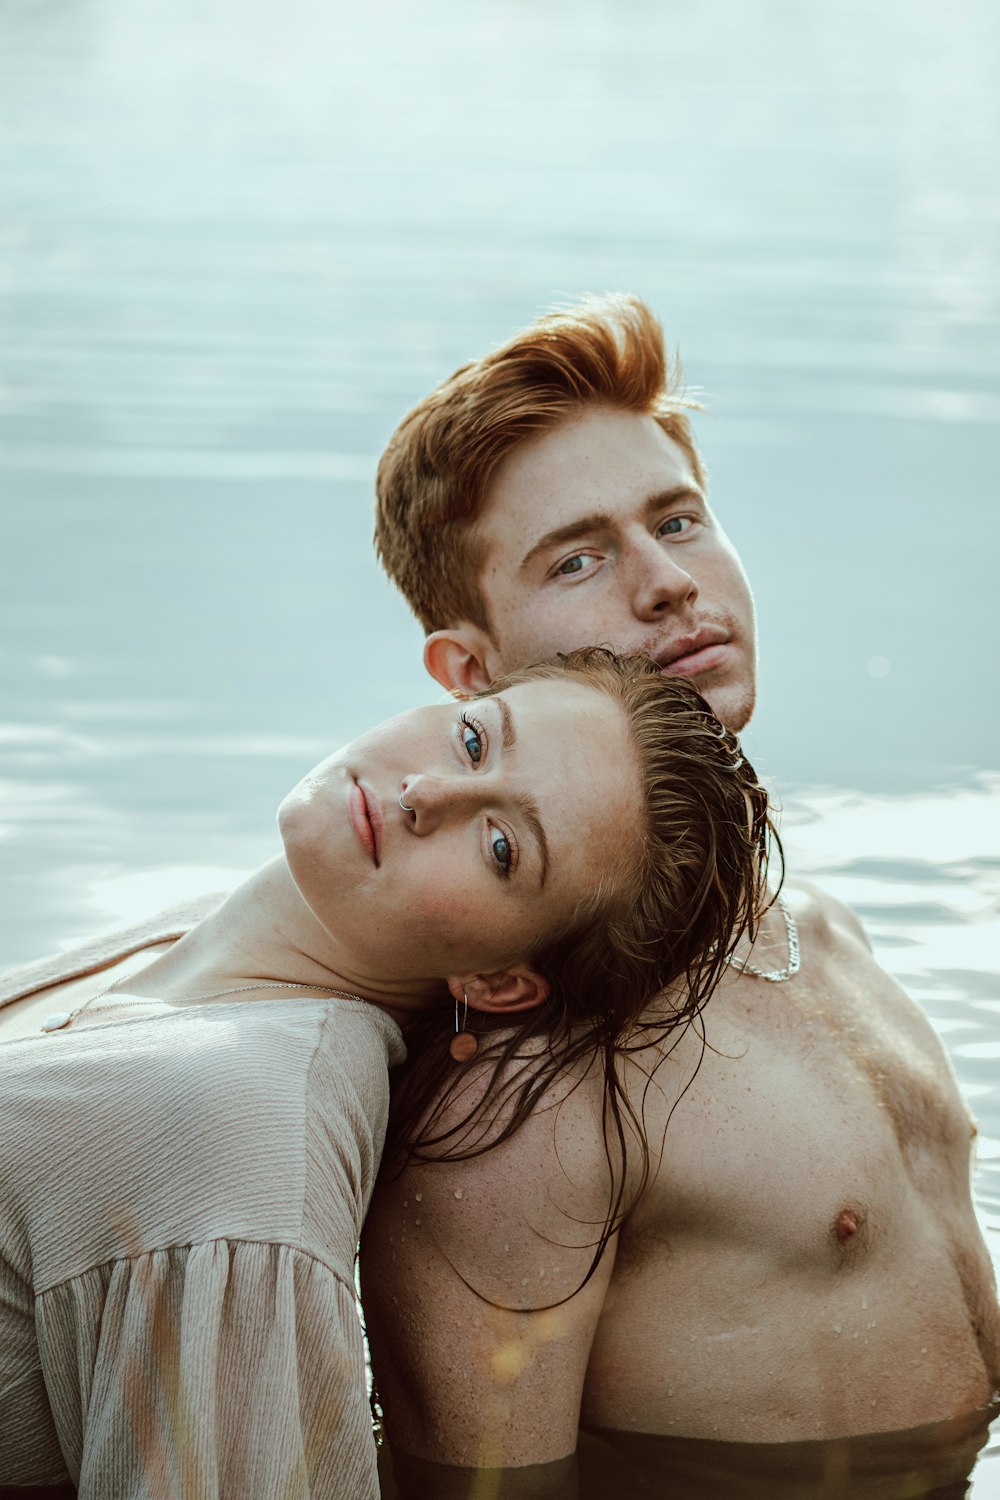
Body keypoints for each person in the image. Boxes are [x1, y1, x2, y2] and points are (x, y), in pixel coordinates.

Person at [361, 294, 1000, 1491]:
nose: (666, 584)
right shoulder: (528, 1083)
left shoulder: (817, 928)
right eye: (580, 557)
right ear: (472, 671)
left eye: (680, 520)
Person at [0, 649, 769, 1500]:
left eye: (502, 845)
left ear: (499, 982)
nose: (426, 794)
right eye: (475, 740)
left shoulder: (242, 1141)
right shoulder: (188, 943)